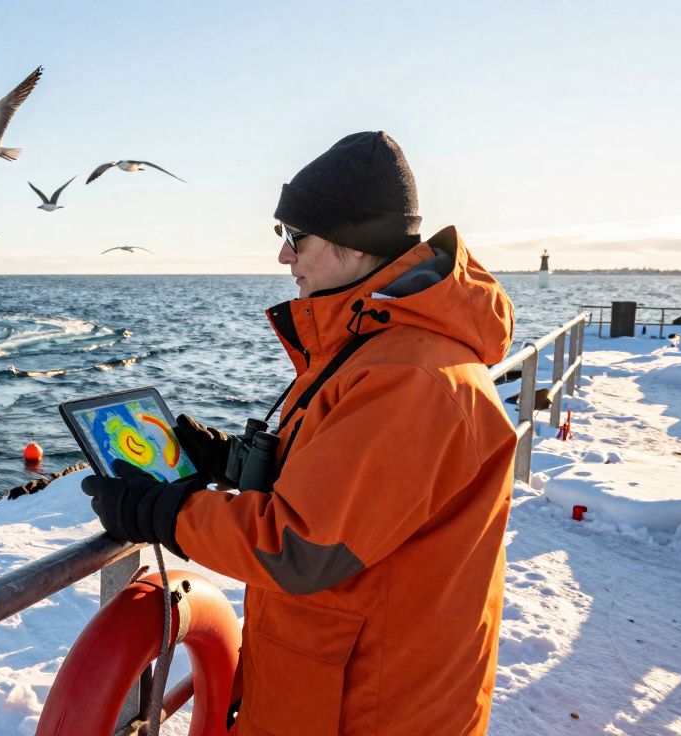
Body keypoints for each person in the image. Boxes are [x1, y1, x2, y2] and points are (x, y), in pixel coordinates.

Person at [82, 132, 516, 734]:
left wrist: (165, 514)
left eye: (295, 237)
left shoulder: (409, 378)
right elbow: (351, 484)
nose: (285, 257)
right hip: (335, 684)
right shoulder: (380, 348)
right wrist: (230, 462)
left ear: (348, 244)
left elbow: (301, 546)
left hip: (370, 706)